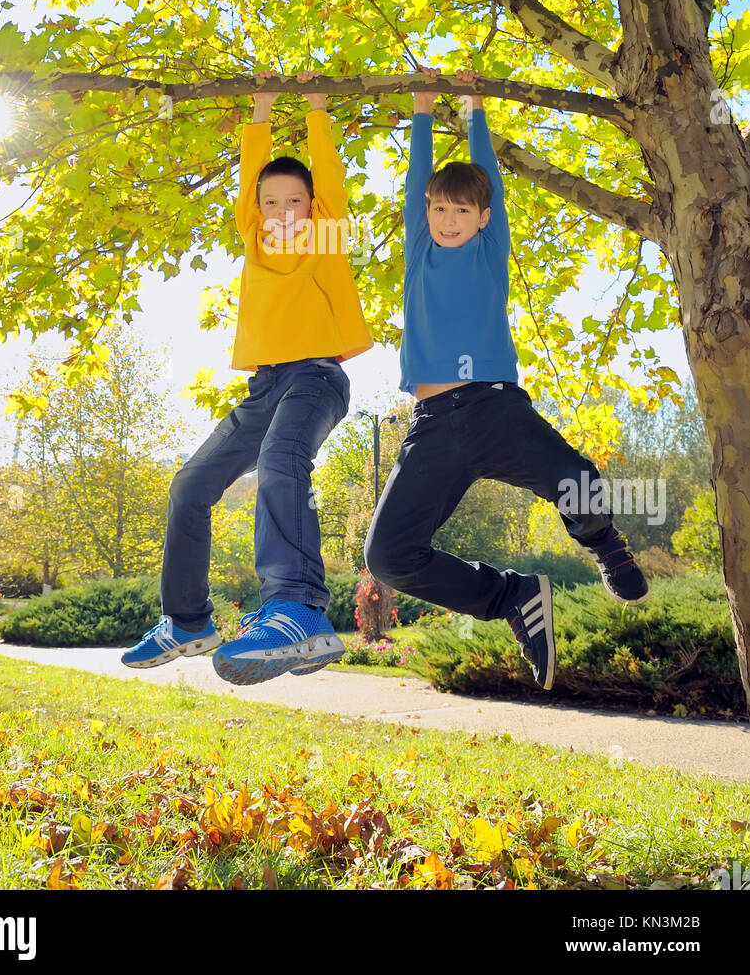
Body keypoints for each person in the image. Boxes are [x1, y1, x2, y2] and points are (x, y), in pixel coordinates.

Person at [363, 67, 648, 691]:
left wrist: (473, 108)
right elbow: (415, 182)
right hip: (434, 427)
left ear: (484, 216)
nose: (445, 218)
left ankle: (604, 543)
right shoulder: (420, 250)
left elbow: (486, 172)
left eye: (460, 209)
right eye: (438, 208)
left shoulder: (491, 252)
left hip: (494, 411)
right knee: (387, 556)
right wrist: (419, 109)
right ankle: (512, 598)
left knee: (578, 482)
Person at [123, 72, 372, 684]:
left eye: (295, 201)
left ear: (313, 206)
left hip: (316, 378)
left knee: (282, 463)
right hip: (264, 388)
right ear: (257, 210)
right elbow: (246, 181)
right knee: (190, 484)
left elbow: (329, 179)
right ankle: (188, 620)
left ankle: (297, 608)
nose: (284, 211)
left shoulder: (327, 236)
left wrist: (316, 106)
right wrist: (259, 110)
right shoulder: (256, 239)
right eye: (272, 202)